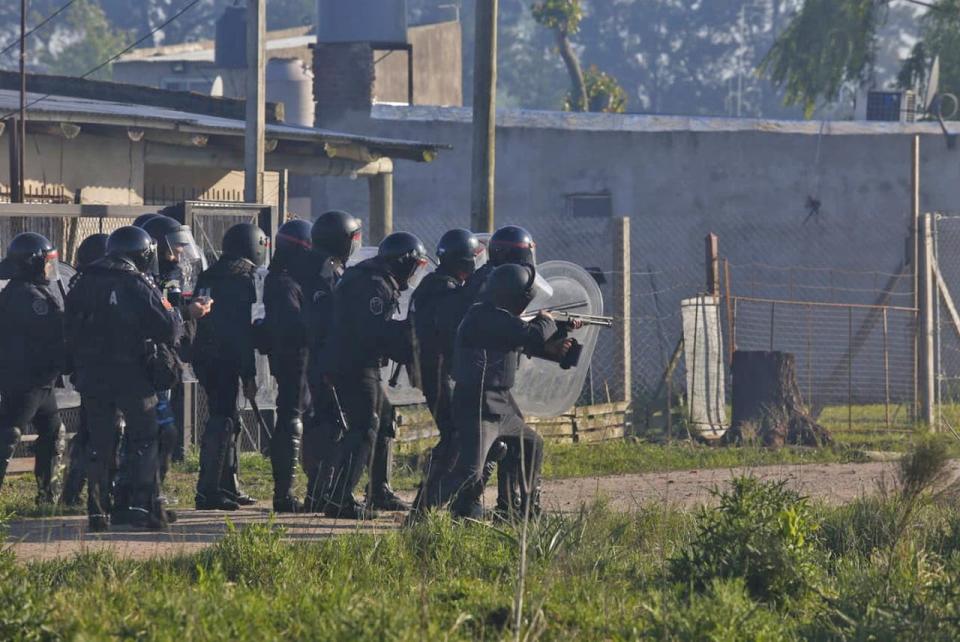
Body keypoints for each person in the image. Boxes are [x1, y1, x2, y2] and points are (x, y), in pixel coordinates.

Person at [421, 263, 574, 519]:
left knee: (532, 444)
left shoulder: (494, 317)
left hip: (500, 403)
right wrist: (547, 319)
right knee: (469, 471)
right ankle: (420, 514)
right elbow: (531, 335)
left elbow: (525, 340)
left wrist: (562, 334)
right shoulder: (483, 317)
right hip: (478, 405)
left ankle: (527, 509)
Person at [66, 226, 182, 531]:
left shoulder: (82, 280)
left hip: (92, 375)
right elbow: (168, 327)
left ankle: (98, 509)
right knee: (145, 437)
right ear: (142, 254)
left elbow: (68, 328)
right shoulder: (136, 281)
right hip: (133, 374)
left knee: (101, 442)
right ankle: (141, 506)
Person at [435, 225, 539, 516]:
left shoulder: (497, 278)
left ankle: (510, 506)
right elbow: (495, 323)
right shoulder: (490, 283)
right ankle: (436, 510)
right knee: (468, 461)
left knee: (521, 444)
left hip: (493, 383)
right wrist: (535, 328)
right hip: (477, 384)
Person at [322, 231, 426, 519]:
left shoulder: (370, 278)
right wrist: (407, 338)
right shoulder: (374, 285)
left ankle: (378, 490)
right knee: (365, 426)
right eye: (414, 265)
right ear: (403, 262)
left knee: (384, 419)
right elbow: (372, 333)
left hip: (353, 361)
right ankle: (340, 496)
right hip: (354, 364)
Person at [193, 223, 269, 510]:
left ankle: (228, 485)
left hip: (205, 356)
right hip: (226, 356)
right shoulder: (244, 278)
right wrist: (248, 374)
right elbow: (243, 332)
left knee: (229, 420)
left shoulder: (210, 273)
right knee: (223, 420)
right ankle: (208, 490)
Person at [409, 229, 484, 508]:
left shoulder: (432, 285)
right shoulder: (445, 290)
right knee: (455, 435)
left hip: (430, 371)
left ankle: (443, 498)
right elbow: (451, 332)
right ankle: (429, 501)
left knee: (455, 434)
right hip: (439, 372)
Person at [0, 233, 68, 504]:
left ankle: (47, 496)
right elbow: (48, 333)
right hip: (25, 381)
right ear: (31, 264)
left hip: (41, 381)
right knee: (9, 432)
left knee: (53, 432)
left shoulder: (27, 290)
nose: (49, 268)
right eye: (46, 262)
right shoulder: (27, 296)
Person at [301, 210, 361, 511]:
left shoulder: (312, 265)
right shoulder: (326, 271)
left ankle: (318, 491)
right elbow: (327, 320)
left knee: (325, 422)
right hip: (324, 359)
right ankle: (319, 492)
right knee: (332, 424)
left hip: (315, 358)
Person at [61, 233, 125, 507]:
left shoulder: (79, 286)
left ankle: (72, 491)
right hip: (104, 371)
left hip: (86, 371)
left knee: (89, 431)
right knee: (108, 432)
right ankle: (102, 494)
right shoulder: (102, 290)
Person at [262, 218, 315, 513]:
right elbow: (292, 326)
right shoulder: (283, 282)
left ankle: (316, 486)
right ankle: (284, 495)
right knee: (291, 418)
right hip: (294, 358)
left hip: (301, 358)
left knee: (307, 416)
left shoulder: (290, 279)